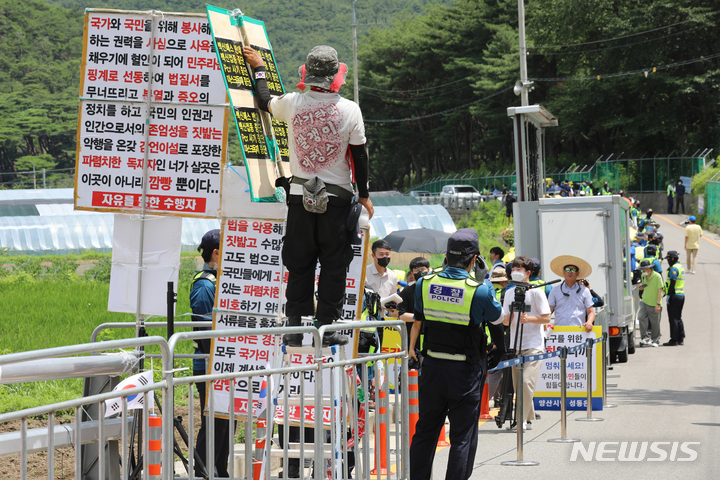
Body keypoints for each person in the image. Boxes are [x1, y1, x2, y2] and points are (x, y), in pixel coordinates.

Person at [243, 44, 373, 347]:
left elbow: (263, 100)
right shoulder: (350, 109)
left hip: (300, 196)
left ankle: (293, 327)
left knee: (299, 262)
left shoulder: (292, 103)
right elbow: (360, 156)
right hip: (338, 199)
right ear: (335, 76)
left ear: (308, 74)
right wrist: (364, 194)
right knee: (334, 263)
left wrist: (259, 68)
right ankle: (326, 327)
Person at [408, 229, 504, 480]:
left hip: (431, 369)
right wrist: (485, 282)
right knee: (461, 436)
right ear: (475, 260)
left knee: (426, 431)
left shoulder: (424, 283)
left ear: (446, 256)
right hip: (465, 372)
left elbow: (420, 316)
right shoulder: (479, 290)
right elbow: (497, 317)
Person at [191, 229, 235, 478]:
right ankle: (204, 472)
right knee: (214, 423)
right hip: (211, 365)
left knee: (228, 422)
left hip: (228, 364)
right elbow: (203, 330)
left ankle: (221, 470)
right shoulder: (205, 284)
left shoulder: (223, 280)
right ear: (217, 252)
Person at [502, 256, 551, 431]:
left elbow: (546, 317)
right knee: (518, 385)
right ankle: (528, 418)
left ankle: (520, 419)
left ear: (528, 273)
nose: (515, 272)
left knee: (527, 382)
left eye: (519, 269)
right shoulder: (509, 293)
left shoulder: (536, 292)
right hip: (515, 344)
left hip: (533, 344)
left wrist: (529, 318)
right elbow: (505, 322)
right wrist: (508, 318)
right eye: (513, 269)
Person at [547, 255, 595, 332]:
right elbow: (549, 310)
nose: (570, 272)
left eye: (573, 270)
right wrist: (546, 322)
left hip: (579, 331)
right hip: (559, 331)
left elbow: (591, 311)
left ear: (578, 273)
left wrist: (589, 322)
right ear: (563, 271)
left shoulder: (585, 290)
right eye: (567, 269)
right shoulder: (555, 290)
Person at [398, 256, 431, 363]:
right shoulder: (407, 291)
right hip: (412, 335)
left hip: (430, 336)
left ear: (429, 271)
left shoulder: (434, 289)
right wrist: (419, 317)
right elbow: (401, 314)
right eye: (416, 270)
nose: (420, 273)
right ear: (411, 273)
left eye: (423, 270)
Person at [366, 239, 399, 311]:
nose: (385, 257)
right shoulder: (364, 273)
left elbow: (392, 298)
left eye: (387, 254)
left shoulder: (393, 276)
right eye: (381, 254)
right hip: (365, 317)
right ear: (373, 255)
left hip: (382, 318)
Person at [637, 259, 664, 347]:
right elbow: (644, 286)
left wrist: (658, 304)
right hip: (645, 301)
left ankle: (655, 340)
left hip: (655, 303)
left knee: (655, 323)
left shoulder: (657, 276)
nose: (643, 271)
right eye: (642, 270)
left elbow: (660, 291)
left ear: (649, 268)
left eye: (644, 270)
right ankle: (645, 338)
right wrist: (641, 287)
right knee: (641, 317)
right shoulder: (643, 276)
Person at [663, 250, 685, 346]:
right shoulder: (680, 267)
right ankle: (681, 338)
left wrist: (668, 294)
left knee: (673, 319)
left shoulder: (674, 269)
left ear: (672, 258)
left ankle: (674, 340)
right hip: (681, 295)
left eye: (668, 259)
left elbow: (672, 283)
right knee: (678, 317)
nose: (667, 261)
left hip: (674, 296)